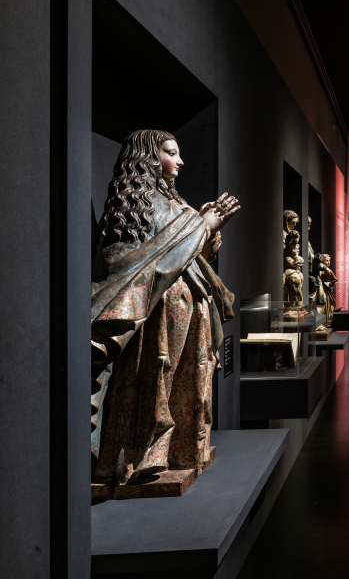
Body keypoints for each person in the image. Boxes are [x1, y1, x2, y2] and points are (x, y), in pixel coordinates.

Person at [91, 129, 239, 485]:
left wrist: (207, 235)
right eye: (171, 153)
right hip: (160, 307)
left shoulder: (174, 202)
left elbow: (188, 257)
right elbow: (131, 263)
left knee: (192, 378)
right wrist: (202, 226)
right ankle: (143, 459)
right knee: (160, 377)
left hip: (192, 304)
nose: (180, 161)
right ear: (147, 157)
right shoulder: (134, 204)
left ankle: (184, 450)